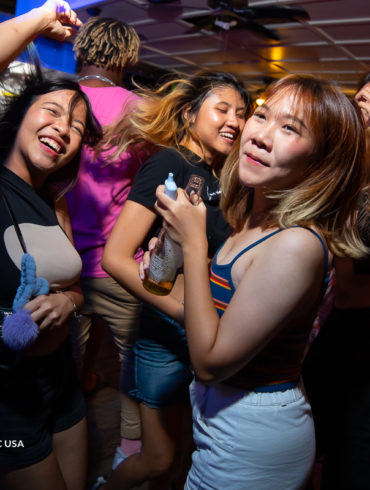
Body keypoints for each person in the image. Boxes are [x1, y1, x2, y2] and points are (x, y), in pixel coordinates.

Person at [150, 74, 368, 489]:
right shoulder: (251, 222)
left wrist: (196, 246)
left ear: (322, 161)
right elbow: (215, 321)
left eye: (290, 128)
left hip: (252, 435)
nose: (260, 135)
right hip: (220, 422)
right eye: (263, 115)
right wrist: (173, 268)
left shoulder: (297, 245)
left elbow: (211, 363)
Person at [101, 71, 249, 489]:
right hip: (168, 330)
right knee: (158, 458)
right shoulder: (170, 163)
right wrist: (182, 314)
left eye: (241, 113)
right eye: (222, 109)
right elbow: (116, 257)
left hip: (210, 330)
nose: (234, 121)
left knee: (186, 448)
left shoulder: (223, 173)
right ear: (189, 114)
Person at [0, 2, 102, 489]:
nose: (63, 129)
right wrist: (39, 20)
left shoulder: (54, 201)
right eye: (53, 112)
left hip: (61, 381)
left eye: (77, 127)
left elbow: (76, 287)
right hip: (6, 398)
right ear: (19, 115)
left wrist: (66, 302)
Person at [66, 15, 143, 459]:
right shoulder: (139, 110)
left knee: (61, 367)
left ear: (82, 50)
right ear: (127, 56)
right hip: (119, 265)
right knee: (135, 370)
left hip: (64, 264)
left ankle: (57, 452)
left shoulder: (56, 100)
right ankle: (129, 454)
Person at [302, 73, 370, 490]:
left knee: (356, 440)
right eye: (362, 95)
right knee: (318, 430)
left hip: (361, 329)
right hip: (327, 326)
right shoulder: (344, 167)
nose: (363, 103)